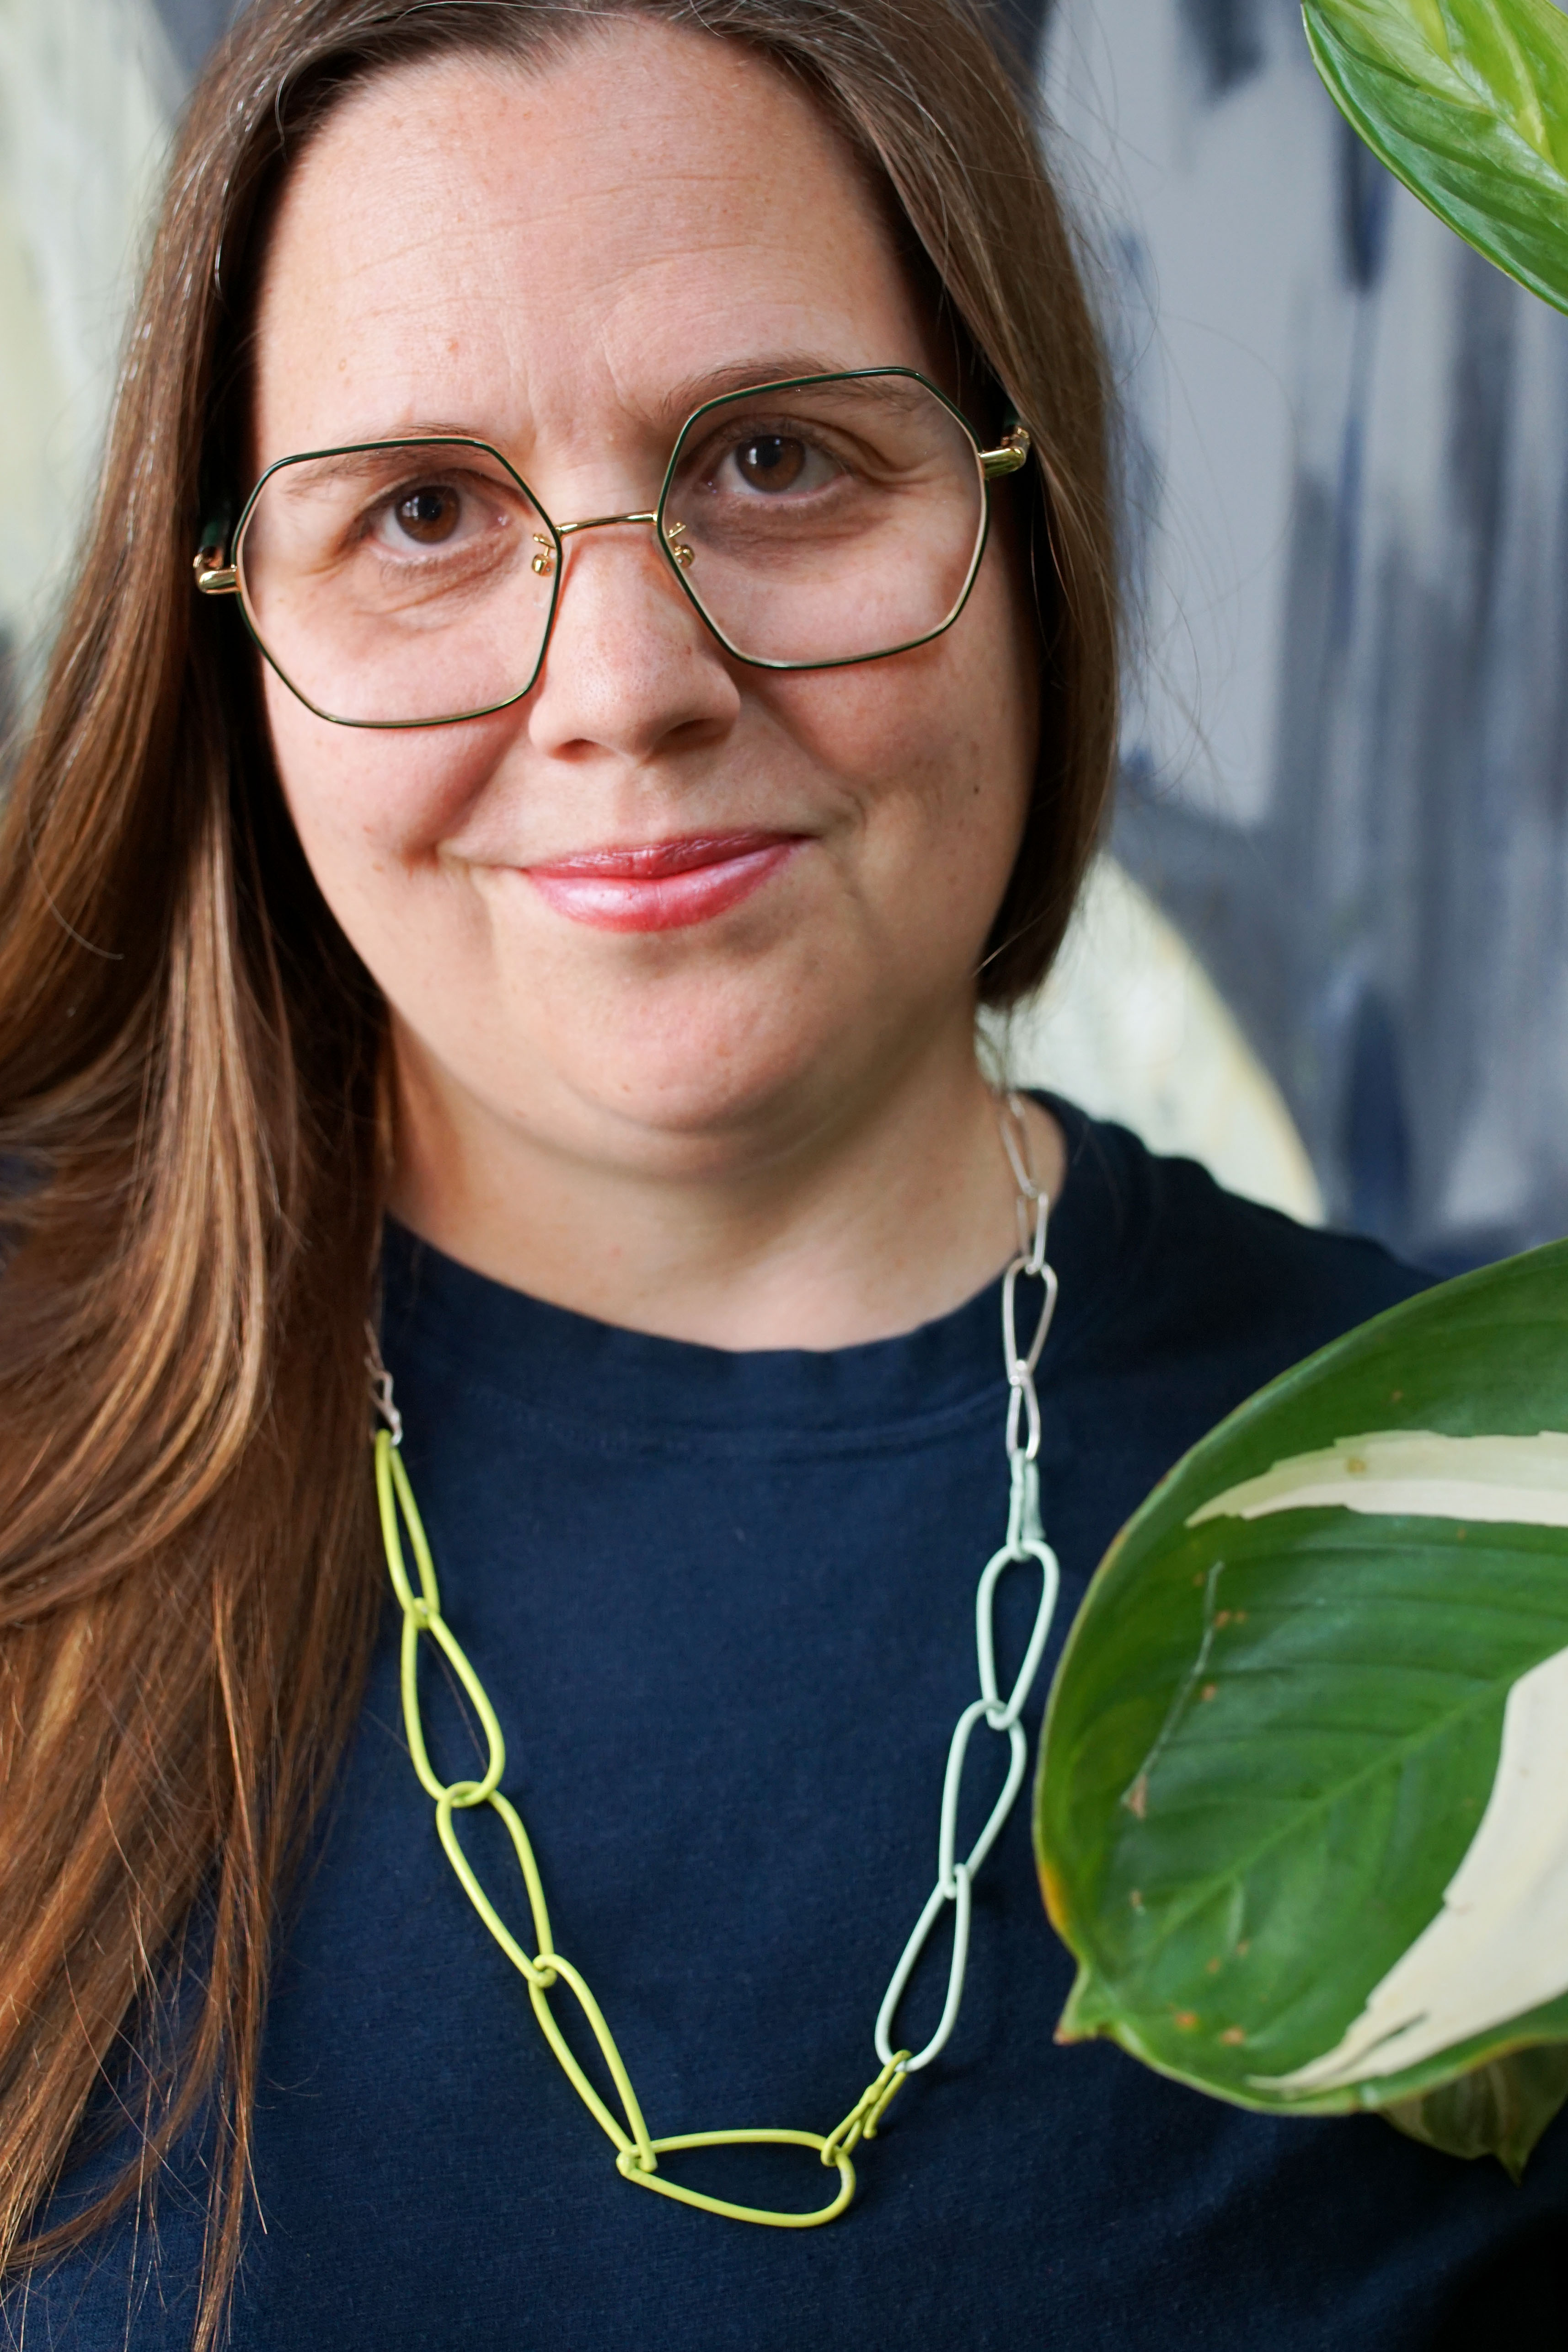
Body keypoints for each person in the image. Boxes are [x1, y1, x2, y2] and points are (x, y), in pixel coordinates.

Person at [0, 0, 1562, 2343]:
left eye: (778, 459)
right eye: (420, 512)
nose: (625, 678)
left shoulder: (1497, 1536)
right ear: (233, 625)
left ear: (1021, 515)